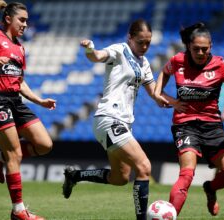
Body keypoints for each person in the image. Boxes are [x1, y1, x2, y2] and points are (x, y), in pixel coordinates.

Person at [62, 19, 168, 220]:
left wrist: (165, 100)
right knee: (144, 167)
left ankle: (74, 176)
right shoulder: (119, 50)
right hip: (109, 118)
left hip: (123, 123)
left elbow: (154, 91)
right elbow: (98, 56)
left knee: (119, 178)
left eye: (148, 43)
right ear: (130, 38)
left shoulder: (144, 62)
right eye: (140, 42)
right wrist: (90, 49)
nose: (144, 47)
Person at [0, 1, 56, 219]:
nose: (25, 24)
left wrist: (39, 100)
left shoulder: (20, 47)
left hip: (15, 100)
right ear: (8, 18)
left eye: (26, 20)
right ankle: (19, 211)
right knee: (14, 154)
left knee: (45, 144)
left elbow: (20, 81)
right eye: (21, 20)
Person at [154, 22, 224, 217]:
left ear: (211, 47)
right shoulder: (178, 61)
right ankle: (171, 216)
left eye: (204, 49)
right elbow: (164, 73)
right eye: (196, 48)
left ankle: (210, 188)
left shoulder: (220, 65)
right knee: (187, 174)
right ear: (188, 46)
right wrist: (161, 95)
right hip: (185, 123)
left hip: (213, 126)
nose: (200, 52)